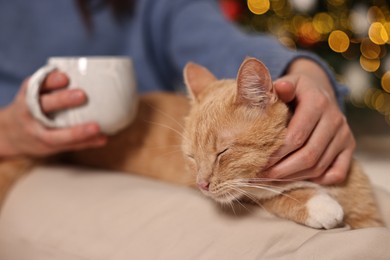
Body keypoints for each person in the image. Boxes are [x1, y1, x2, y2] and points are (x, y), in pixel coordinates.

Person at [0, 0, 355, 185]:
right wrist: (7, 133)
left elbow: (217, 41)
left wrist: (304, 73)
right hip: (18, 162)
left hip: (131, 164)